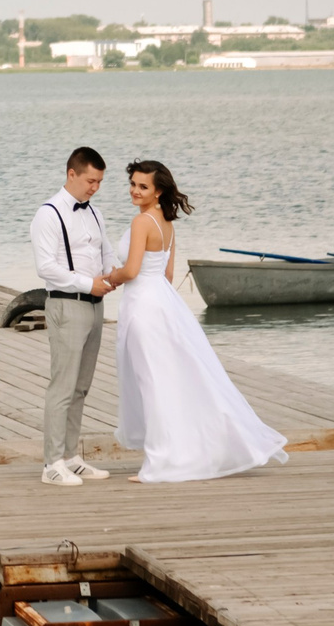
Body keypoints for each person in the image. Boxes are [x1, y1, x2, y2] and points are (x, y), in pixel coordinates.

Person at [98, 159, 288, 483]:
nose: (134, 191)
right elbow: (168, 275)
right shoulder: (167, 223)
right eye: (132, 184)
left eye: (143, 186)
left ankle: (160, 461)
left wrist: (108, 278)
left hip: (143, 305)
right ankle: (176, 452)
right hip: (162, 301)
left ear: (158, 191)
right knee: (170, 377)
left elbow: (131, 271)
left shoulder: (142, 222)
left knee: (151, 381)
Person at [30, 145, 117, 486]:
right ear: (72, 174)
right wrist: (87, 283)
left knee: (81, 386)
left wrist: (115, 275)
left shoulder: (95, 213)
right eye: (90, 181)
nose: (95, 188)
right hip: (66, 304)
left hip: (96, 305)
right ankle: (51, 464)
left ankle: (70, 457)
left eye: (99, 182)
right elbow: (46, 267)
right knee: (62, 387)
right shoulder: (48, 214)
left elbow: (105, 252)